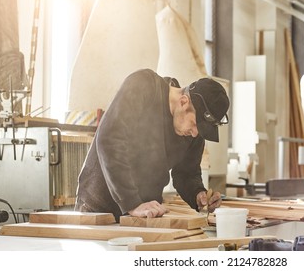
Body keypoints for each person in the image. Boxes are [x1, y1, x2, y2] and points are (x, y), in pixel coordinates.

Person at [74, 68, 230, 222]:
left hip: (146, 212)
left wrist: (198, 195)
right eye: (195, 124)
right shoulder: (143, 86)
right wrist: (132, 203)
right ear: (183, 102)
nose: (196, 133)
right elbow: (110, 139)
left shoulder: (193, 133)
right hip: (99, 208)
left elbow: (186, 174)